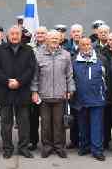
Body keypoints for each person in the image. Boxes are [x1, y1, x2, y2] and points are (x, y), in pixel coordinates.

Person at [0, 25, 36, 159]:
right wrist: (7, 81)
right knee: (6, 123)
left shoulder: (28, 50)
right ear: (8, 35)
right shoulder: (0, 50)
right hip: (5, 91)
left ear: (21, 35)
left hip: (22, 91)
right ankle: (7, 148)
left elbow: (31, 69)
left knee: (24, 123)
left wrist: (19, 82)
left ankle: (23, 148)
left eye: (17, 33)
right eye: (12, 34)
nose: (15, 36)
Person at [32, 30, 74, 158]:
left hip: (60, 95)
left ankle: (59, 146)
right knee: (45, 124)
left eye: (56, 38)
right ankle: (47, 146)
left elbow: (69, 75)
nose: (54, 40)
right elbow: (35, 76)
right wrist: (34, 91)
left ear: (60, 40)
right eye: (52, 38)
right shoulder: (38, 54)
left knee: (59, 123)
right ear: (46, 39)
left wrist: (70, 89)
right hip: (44, 96)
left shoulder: (66, 55)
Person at [73, 37, 107, 161]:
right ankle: (85, 146)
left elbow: (107, 77)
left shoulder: (101, 59)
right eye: (83, 45)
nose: (86, 47)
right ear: (79, 46)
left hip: (97, 98)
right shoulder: (74, 61)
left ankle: (97, 150)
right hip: (80, 99)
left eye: (88, 44)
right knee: (83, 126)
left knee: (96, 126)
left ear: (91, 45)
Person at [28, 26, 48, 151]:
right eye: (38, 33)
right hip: (32, 87)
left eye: (42, 33)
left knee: (47, 118)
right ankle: (32, 141)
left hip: (47, 87)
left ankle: (47, 142)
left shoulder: (51, 46)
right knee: (32, 117)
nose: (40, 35)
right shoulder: (29, 47)